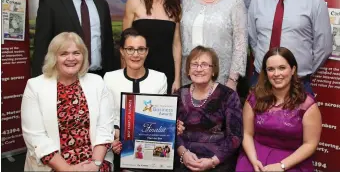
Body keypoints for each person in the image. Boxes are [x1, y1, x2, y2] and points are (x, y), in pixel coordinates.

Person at [21, 32, 114, 171]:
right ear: (54, 57)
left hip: (95, 161)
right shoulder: (35, 86)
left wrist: (95, 164)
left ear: (83, 56)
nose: (71, 58)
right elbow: (36, 137)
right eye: (63, 53)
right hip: (54, 165)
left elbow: (105, 127)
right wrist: (69, 169)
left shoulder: (97, 82)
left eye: (76, 53)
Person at [248, 0, 332, 93]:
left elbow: (323, 47)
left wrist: (301, 72)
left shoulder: (314, 2)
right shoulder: (256, 3)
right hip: (261, 81)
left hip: (297, 83)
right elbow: (254, 42)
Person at [32, 0, 116, 78]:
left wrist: (111, 78)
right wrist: (39, 83)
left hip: (99, 78)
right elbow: (41, 49)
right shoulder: (50, 3)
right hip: (63, 80)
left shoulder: (102, 5)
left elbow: (108, 48)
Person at [236, 47, 322, 171]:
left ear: (293, 70)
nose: (276, 74)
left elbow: (310, 144)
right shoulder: (254, 98)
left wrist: (281, 166)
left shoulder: (307, 105)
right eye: (271, 69)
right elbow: (247, 133)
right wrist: (254, 161)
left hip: (291, 161)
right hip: (255, 156)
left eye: (282, 68)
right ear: (266, 73)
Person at [103, 28, 167, 171]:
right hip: (119, 145)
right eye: (130, 49)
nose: (136, 54)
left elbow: (160, 117)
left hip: (152, 147)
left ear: (147, 51)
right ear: (122, 51)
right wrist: (115, 134)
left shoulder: (159, 78)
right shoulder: (110, 78)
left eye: (141, 49)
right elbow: (106, 116)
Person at [181, 0, 247, 91]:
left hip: (221, 79)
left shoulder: (234, 1)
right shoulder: (188, 1)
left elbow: (240, 42)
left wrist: (233, 80)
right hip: (189, 78)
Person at [176, 46, 243, 171]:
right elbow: (171, 130)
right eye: (194, 64)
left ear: (213, 70)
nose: (199, 69)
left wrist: (212, 161)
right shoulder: (179, 94)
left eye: (205, 64)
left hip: (218, 160)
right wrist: (183, 154)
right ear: (188, 70)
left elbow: (235, 136)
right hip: (184, 158)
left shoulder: (228, 95)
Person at [123, 0, 182, 94]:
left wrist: (177, 78)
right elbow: (125, 44)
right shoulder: (134, 2)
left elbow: (176, 45)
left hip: (167, 73)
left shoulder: (175, 8)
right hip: (138, 72)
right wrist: (125, 76)